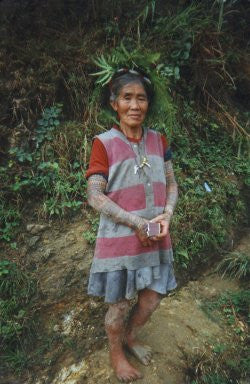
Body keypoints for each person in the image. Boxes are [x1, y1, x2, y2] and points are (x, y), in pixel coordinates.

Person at [86, 69, 178, 382]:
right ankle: (116, 354)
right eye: (127, 98)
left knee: (151, 299)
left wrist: (166, 214)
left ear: (148, 103)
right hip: (120, 242)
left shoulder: (158, 139)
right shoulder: (104, 143)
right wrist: (136, 221)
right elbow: (95, 195)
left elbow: (172, 182)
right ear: (114, 103)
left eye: (141, 98)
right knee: (120, 306)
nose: (134, 105)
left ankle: (131, 337)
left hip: (156, 238)